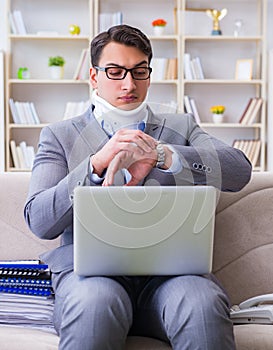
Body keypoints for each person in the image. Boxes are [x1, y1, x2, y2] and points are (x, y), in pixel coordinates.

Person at [24, 24, 252, 350]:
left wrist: (162, 153)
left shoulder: (180, 127)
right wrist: (94, 166)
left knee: (201, 305)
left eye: (139, 71)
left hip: (172, 279)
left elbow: (239, 171)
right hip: (90, 278)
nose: (129, 84)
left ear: (149, 73)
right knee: (94, 305)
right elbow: (40, 220)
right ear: (93, 77)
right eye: (115, 72)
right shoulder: (60, 135)